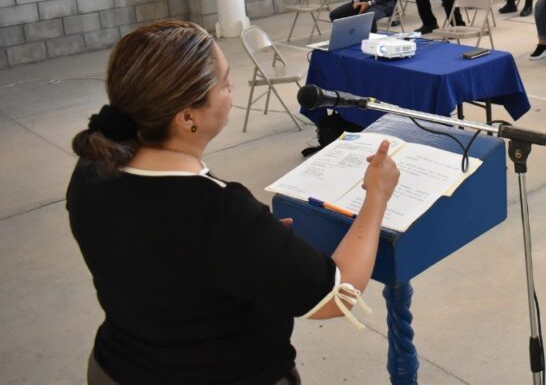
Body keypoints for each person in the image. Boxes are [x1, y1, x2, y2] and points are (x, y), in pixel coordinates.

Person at [67, 21, 400, 384]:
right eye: (225, 83)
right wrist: (377, 196)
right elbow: (339, 295)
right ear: (187, 117)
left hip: (117, 367)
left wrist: (250, 245)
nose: (232, 89)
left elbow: (161, 260)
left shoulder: (91, 170)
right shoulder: (215, 210)